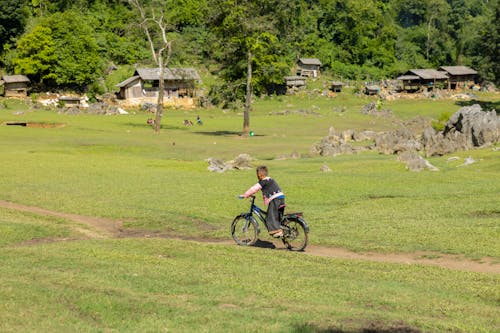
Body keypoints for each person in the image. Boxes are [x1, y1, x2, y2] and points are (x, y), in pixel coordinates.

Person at [240, 166, 285, 237]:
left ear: (259, 175)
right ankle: (280, 228)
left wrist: (245, 195)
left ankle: (277, 231)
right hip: (281, 198)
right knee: (276, 216)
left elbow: (254, 188)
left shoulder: (263, 181)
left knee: (270, 217)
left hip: (275, 199)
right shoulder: (270, 179)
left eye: (257, 175)